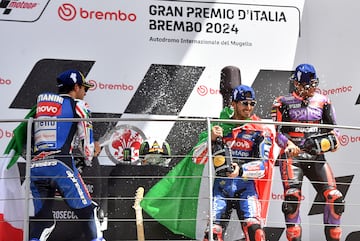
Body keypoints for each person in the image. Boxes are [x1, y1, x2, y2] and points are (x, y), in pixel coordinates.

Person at [29, 70, 105, 241]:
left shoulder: (40, 109)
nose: (85, 93)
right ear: (76, 87)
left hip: (35, 167)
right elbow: (87, 148)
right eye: (84, 88)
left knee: (44, 222)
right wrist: (92, 153)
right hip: (60, 166)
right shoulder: (79, 106)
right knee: (88, 211)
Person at [271, 63, 343, 241]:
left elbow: (335, 130)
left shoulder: (323, 100)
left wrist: (330, 142)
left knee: (335, 199)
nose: (312, 89)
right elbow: (278, 132)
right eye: (307, 85)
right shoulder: (281, 102)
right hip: (292, 157)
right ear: (297, 84)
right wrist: (287, 144)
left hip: (316, 156)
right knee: (292, 200)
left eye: (314, 84)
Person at [202, 85, 275, 241]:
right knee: (212, 235)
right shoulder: (219, 126)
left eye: (252, 104)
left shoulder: (259, 130)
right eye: (244, 103)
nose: (248, 108)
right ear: (233, 104)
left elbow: (263, 167)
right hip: (221, 189)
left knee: (257, 233)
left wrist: (240, 170)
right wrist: (211, 139)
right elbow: (196, 157)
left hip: (246, 188)